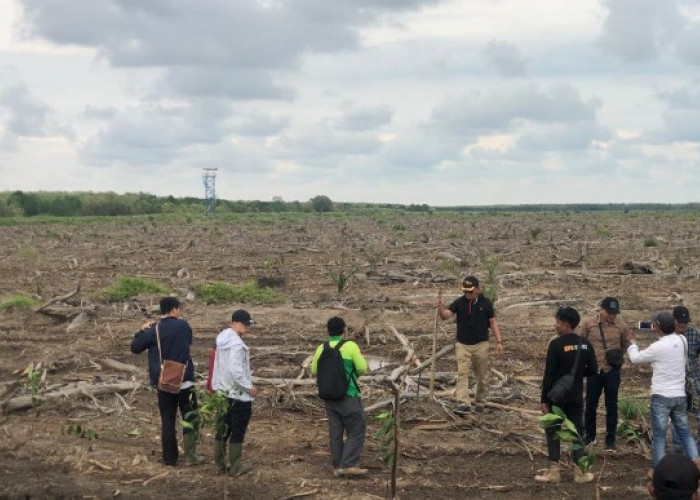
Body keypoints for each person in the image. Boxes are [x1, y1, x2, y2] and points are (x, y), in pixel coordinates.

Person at [130, 296, 204, 467]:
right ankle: (191, 455)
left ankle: (170, 459)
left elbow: (135, 348)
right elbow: (188, 342)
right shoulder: (184, 326)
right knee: (190, 417)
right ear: (174, 310)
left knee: (168, 420)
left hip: (164, 382)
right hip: (185, 380)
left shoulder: (154, 330)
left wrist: (142, 331)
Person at [628, 312, 699, 472]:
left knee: (659, 438)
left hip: (661, 397)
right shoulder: (683, 340)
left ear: (658, 327)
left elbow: (635, 358)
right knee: (685, 433)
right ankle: (697, 466)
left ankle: (659, 473)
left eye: (654, 324)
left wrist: (632, 343)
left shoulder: (658, 347)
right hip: (680, 395)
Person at [535, 306, 598, 484]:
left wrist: (544, 400)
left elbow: (549, 375)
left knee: (553, 432)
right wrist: (576, 376)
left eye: (557, 322)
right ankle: (580, 472)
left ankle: (554, 471)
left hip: (555, 397)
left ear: (565, 323)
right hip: (576, 396)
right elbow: (593, 370)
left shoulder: (556, 344)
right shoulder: (585, 344)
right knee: (577, 432)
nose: (555, 325)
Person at [436, 275, 504, 414]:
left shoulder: (486, 303)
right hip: (462, 344)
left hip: (481, 344)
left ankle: (480, 402)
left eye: (470, 291)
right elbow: (446, 315)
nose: (467, 294)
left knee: (481, 375)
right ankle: (463, 403)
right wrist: (440, 309)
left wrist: (499, 341)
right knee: (462, 373)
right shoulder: (459, 302)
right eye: (465, 291)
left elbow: (492, 322)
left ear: (478, 289)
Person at [310, 316, 369, 476]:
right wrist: (351, 374)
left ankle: (338, 465)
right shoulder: (350, 346)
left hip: (329, 397)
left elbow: (314, 371)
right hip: (348, 395)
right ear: (344, 330)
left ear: (328, 332)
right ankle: (348, 465)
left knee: (335, 431)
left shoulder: (321, 348)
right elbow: (363, 368)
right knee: (356, 430)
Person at [580, 296, 632, 451]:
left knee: (612, 406)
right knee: (590, 404)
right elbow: (582, 342)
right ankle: (590, 436)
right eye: (609, 312)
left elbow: (625, 345)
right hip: (594, 370)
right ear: (601, 310)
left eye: (614, 313)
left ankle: (610, 440)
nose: (612, 315)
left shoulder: (621, 326)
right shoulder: (588, 323)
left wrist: (614, 358)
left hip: (612, 370)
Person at [211, 309, 257, 475]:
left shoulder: (221, 341)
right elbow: (236, 371)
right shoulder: (237, 345)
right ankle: (235, 466)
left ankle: (219, 464)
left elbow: (217, 367)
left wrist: (216, 387)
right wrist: (249, 387)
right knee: (238, 430)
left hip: (223, 392)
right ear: (236, 323)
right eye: (245, 324)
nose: (247, 328)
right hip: (238, 395)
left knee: (223, 428)